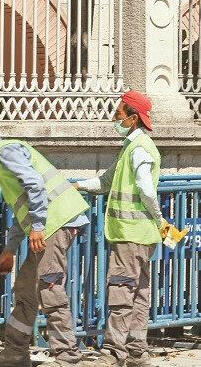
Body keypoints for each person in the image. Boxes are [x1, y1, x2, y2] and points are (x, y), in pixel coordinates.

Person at [0, 117, 90, 367]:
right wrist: (10, 249)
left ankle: (68, 357)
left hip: (54, 223)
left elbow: (35, 185)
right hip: (48, 225)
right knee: (25, 290)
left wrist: (38, 226)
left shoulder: (6, 152)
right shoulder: (2, 160)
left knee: (50, 290)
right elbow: (22, 211)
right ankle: (15, 352)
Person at [76, 91, 168, 367]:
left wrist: (159, 215)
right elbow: (105, 181)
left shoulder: (139, 148)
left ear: (132, 117)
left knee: (121, 294)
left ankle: (113, 354)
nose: (114, 118)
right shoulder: (132, 147)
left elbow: (145, 189)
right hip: (140, 235)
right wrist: (76, 186)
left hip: (130, 234)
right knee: (139, 294)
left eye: (117, 114)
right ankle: (137, 352)